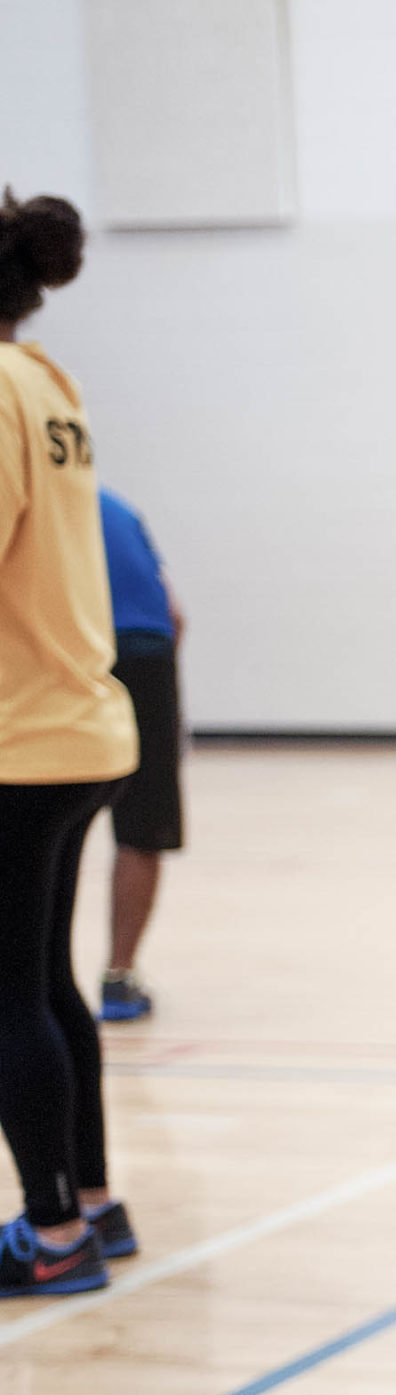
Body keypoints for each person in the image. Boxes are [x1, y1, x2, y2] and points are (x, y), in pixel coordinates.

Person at [0, 189, 139, 1296]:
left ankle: (49, 1237)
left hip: (20, 735)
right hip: (80, 719)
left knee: (12, 992)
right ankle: (93, 1202)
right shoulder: (48, 382)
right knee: (43, 979)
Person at [96, 485, 184, 1022]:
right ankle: (119, 977)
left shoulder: (30, 500)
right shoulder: (118, 507)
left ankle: (30, 976)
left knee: (43, 823)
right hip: (147, 657)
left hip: (68, 659)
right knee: (144, 823)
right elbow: (174, 614)